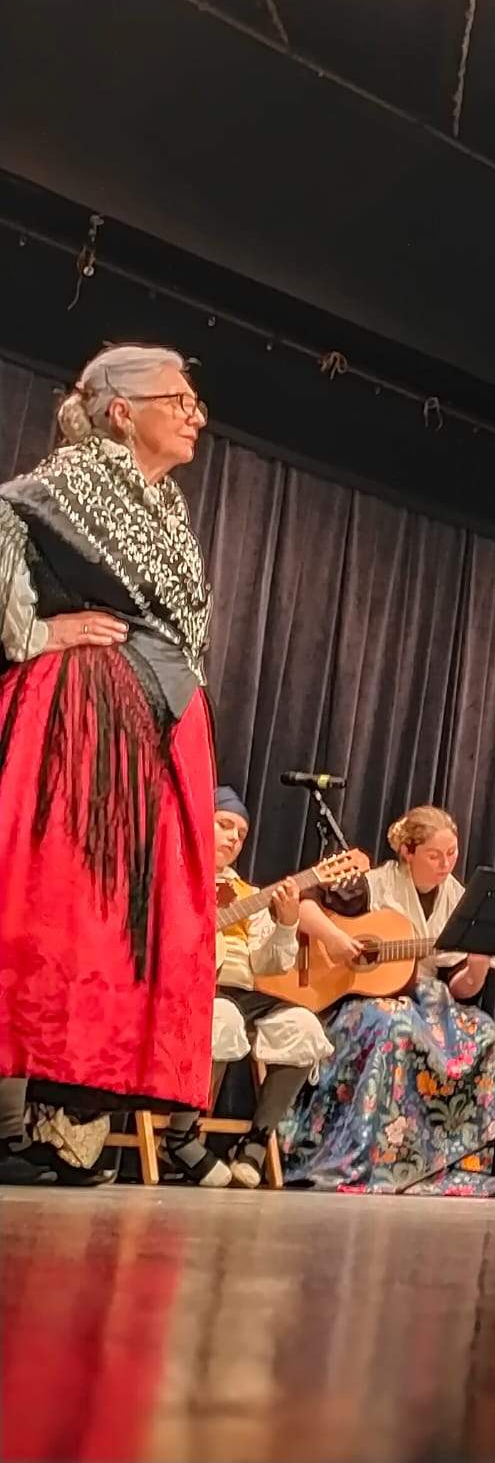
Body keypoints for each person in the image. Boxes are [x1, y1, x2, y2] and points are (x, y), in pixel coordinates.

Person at [1, 345, 217, 1185]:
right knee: (60, 908)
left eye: (194, 402)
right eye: (178, 400)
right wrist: (35, 631)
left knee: (125, 924)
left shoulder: (165, 508)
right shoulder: (56, 488)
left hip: (156, 719)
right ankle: (11, 1128)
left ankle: (70, 1133)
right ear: (122, 412)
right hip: (82, 719)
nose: (195, 414)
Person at [286, 805, 495, 1193]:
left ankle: (461, 1162)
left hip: (431, 1002)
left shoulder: (459, 899)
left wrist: (480, 966)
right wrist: (335, 939)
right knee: (394, 1026)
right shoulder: (372, 885)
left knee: (489, 1037)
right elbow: (301, 902)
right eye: (434, 856)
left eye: (452, 854)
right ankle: (372, 1159)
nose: (445, 865)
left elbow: (464, 988)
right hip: (362, 1000)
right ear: (407, 852)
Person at [158, 786, 334, 1188]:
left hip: (242, 993)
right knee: (222, 1015)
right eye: (225, 825)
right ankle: (180, 1136)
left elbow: (268, 963)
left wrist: (287, 923)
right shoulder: (173, 877)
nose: (233, 838)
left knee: (304, 1025)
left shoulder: (249, 896)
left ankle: (256, 1141)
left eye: (241, 834)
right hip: (185, 990)